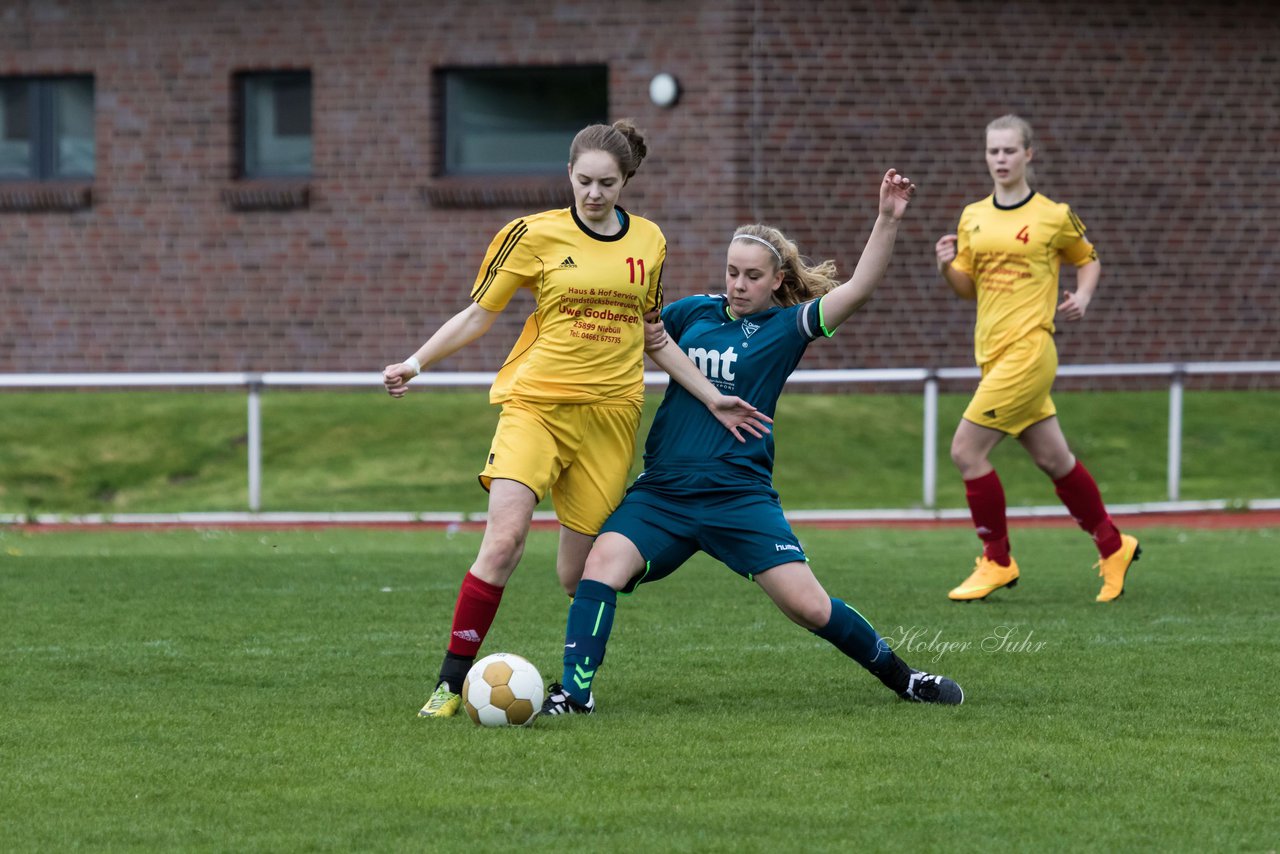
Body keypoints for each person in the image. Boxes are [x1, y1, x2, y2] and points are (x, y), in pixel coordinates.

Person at [540, 168, 965, 718]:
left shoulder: (787, 329)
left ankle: (907, 680)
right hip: (664, 493)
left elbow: (858, 289)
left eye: (751, 276)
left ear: (775, 280)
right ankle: (575, 695)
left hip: (739, 497)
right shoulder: (692, 312)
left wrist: (886, 218)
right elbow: (629, 326)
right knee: (597, 570)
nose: (739, 284)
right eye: (732, 272)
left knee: (809, 607)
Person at [383, 120, 772, 719]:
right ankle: (448, 684)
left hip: (611, 419)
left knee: (579, 576)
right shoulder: (530, 234)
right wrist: (415, 362)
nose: (594, 193)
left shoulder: (649, 241)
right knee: (505, 540)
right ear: (569, 174)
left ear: (626, 182)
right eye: (584, 180)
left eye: (607, 183)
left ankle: (575, 685)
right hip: (536, 407)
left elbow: (655, 338)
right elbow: (477, 315)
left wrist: (709, 394)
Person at [934, 114, 1141, 604]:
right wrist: (946, 265)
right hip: (992, 354)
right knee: (1054, 459)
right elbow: (968, 289)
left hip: (1029, 352)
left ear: (1030, 153)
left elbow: (1088, 258)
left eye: (1009, 150)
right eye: (992, 151)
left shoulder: (1053, 214)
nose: (1000, 159)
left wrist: (1084, 297)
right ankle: (1114, 545)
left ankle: (998, 560)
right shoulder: (973, 216)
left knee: (966, 451)